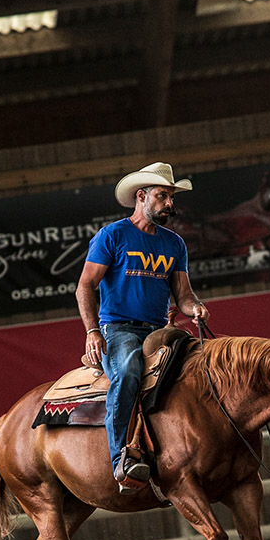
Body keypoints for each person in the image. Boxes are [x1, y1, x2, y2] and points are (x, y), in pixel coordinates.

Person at [76, 161, 209, 490]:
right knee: (130, 370)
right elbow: (85, 286)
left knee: (198, 367)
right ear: (141, 196)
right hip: (118, 329)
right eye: (162, 196)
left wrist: (196, 308)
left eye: (171, 198)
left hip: (158, 329)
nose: (169, 204)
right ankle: (121, 457)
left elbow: (183, 295)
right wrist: (93, 331)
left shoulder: (174, 244)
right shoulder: (113, 235)